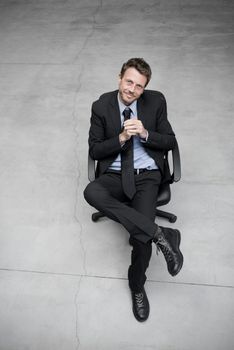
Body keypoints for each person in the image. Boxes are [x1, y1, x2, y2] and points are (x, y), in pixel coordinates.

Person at [83, 58, 183, 322]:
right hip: (115, 174)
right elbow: (95, 150)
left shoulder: (155, 102)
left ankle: (137, 286)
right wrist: (122, 138)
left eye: (139, 86)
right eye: (129, 82)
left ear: (144, 88)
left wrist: (146, 134)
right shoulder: (101, 106)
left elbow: (171, 141)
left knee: (140, 240)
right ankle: (162, 234)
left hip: (147, 176)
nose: (132, 90)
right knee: (91, 192)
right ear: (119, 78)